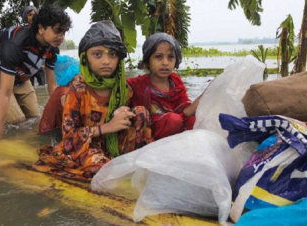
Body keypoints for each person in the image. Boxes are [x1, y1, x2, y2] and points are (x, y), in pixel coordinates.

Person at [33, 20, 153, 181]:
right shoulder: (78, 91)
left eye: (112, 54)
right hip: (86, 148)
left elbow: (129, 126)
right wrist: (107, 127)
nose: (106, 61)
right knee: (100, 167)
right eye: (97, 54)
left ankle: (135, 164)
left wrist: (123, 114)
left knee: (141, 112)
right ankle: (111, 166)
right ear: (85, 59)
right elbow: (69, 139)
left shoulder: (124, 90)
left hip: (113, 144)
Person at [0, 5, 72, 140]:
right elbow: (5, 92)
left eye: (64, 32)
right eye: (57, 31)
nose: (61, 37)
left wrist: (66, 111)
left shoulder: (52, 49)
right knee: (18, 121)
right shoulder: (16, 44)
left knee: (35, 119)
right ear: (41, 28)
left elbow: (52, 86)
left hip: (20, 72)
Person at [127, 33, 200, 140]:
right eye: (158, 57)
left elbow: (185, 110)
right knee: (174, 120)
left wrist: (208, 93)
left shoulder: (175, 81)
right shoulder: (137, 84)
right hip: (150, 131)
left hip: (176, 126)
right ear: (148, 61)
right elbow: (118, 89)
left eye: (170, 57)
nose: (165, 63)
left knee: (195, 119)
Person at [38, 54, 81, 134]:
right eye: (80, 77)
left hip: (46, 130)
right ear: (72, 77)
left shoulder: (60, 89)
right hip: (50, 133)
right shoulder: (66, 92)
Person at [21, 5, 46, 86]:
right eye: (30, 15)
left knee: (43, 87)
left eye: (34, 15)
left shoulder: (41, 30)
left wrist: (43, 62)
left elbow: (45, 47)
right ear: (25, 16)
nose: (32, 17)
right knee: (30, 88)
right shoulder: (22, 32)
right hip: (27, 66)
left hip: (39, 65)